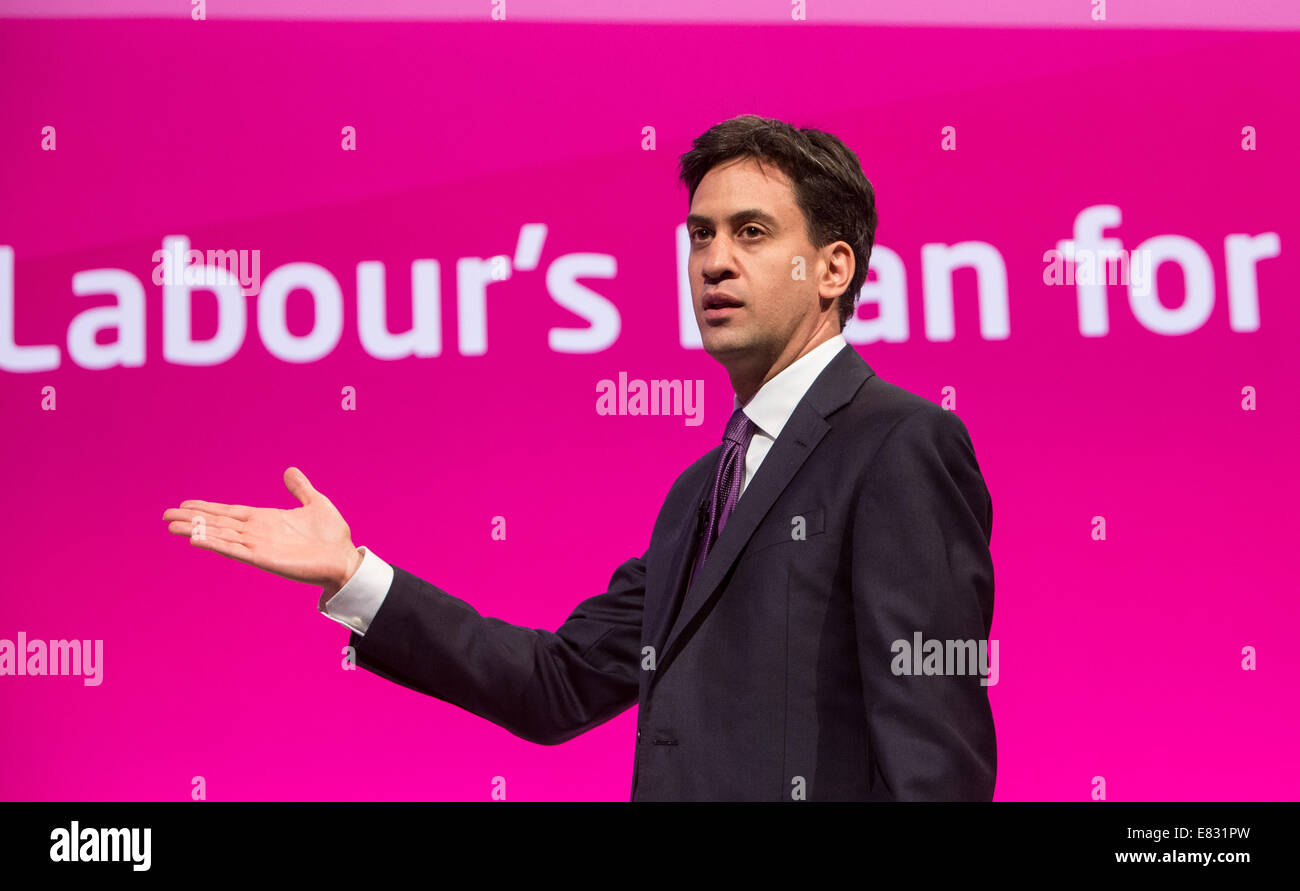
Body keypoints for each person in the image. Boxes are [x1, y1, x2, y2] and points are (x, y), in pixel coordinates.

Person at [163, 114, 996, 801]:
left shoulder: (898, 443)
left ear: (832, 268)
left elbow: (936, 764)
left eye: (751, 232)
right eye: (700, 234)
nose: (714, 260)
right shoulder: (699, 491)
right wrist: (353, 575)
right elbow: (555, 684)